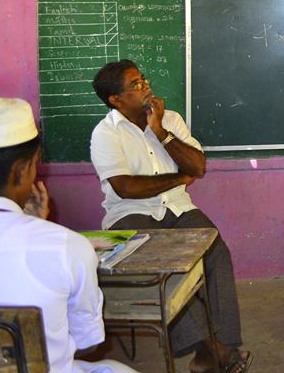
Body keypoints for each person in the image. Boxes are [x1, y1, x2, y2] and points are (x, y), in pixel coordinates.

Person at [89, 60, 252, 373]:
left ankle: (222, 344)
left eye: (143, 79)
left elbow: (198, 167)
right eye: (136, 84)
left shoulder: (171, 119)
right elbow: (126, 188)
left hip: (178, 208)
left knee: (216, 252)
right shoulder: (106, 133)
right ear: (116, 99)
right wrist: (178, 177)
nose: (146, 86)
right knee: (165, 270)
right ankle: (211, 350)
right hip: (130, 215)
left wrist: (160, 132)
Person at [0, 97, 138, 373]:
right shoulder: (66, 247)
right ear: (21, 170)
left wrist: (32, 223)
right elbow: (88, 343)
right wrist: (37, 227)